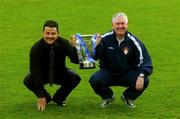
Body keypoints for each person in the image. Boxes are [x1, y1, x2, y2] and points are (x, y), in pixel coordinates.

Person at [89, 12, 153, 108]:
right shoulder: (105, 38)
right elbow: (95, 57)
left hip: (127, 73)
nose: (120, 26)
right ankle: (107, 97)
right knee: (94, 80)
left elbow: (146, 61)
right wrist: (96, 46)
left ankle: (128, 97)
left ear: (127, 25)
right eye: (117, 24)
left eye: (123, 23)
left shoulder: (134, 42)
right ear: (113, 25)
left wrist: (141, 75)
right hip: (108, 72)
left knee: (145, 80)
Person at [23, 20, 81, 111]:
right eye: (47, 33)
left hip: (59, 73)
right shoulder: (36, 48)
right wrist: (41, 95)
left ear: (58, 34)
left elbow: (76, 61)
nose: (50, 36)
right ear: (43, 33)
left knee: (75, 78)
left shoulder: (64, 43)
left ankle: (59, 98)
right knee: (28, 80)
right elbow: (35, 71)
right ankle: (46, 98)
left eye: (53, 33)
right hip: (42, 75)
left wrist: (75, 47)